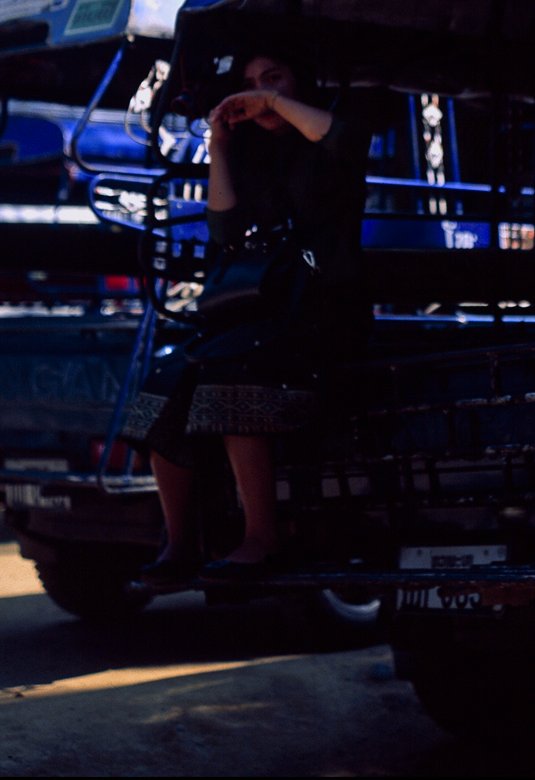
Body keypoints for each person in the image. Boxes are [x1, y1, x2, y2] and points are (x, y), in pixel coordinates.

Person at [134, 49, 370, 582]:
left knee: (231, 371)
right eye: (248, 83)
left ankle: (263, 537)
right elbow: (223, 232)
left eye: (274, 75)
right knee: (166, 380)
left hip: (326, 311)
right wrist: (219, 143)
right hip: (265, 311)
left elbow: (343, 140)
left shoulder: (335, 131)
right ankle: (181, 543)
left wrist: (272, 101)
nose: (258, 90)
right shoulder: (252, 152)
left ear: (298, 81)